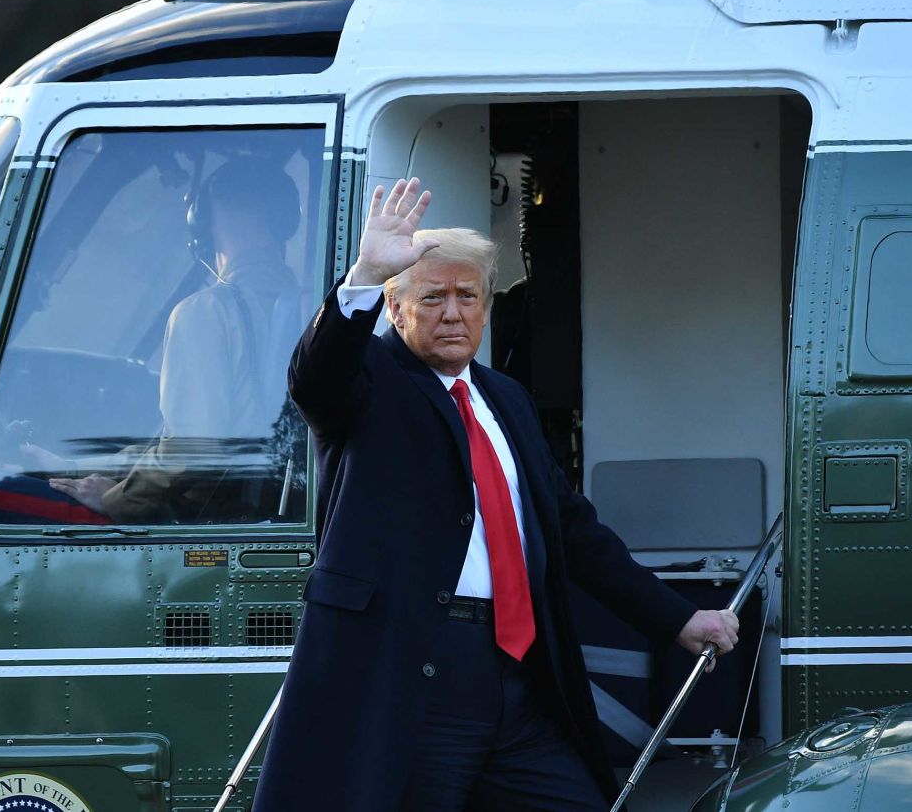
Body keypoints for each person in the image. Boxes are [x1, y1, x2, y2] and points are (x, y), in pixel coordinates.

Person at [253, 177, 740, 811]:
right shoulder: (370, 379)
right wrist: (367, 273)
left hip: (518, 679)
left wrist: (677, 617)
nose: (452, 313)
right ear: (395, 309)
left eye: (467, 296)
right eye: (431, 298)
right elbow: (316, 379)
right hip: (415, 677)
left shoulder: (505, 398)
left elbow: (574, 532)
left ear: (487, 308)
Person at [49, 156, 306, 522]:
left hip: (208, 519)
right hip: (271, 507)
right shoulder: (312, 308)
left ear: (207, 219)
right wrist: (92, 466)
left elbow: (193, 447)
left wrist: (117, 500)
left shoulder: (205, 312)